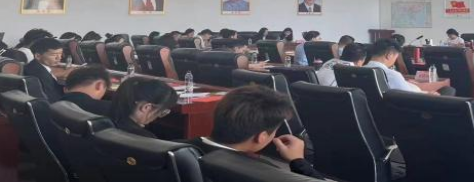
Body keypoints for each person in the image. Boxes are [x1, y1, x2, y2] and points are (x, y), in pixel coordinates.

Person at [192, 86, 325, 179]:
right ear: (262, 137)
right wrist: (298, 161)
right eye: (275, 131)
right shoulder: (263, 173)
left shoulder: (183, 148)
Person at [365, 39, 456, 96]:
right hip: (411, 106)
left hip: (377, 110)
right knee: (448, 90)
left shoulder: (362, 70)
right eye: (395, 58)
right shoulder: (391, 74)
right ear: (389, 55)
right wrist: (428, 94)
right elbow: (410, 95)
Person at [111, 77, 177, 138]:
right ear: (146, 107)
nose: (157, 116)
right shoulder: (145, 138)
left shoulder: (108, 122)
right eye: (162, 112)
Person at [24, 37, 65, 102]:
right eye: (54, 55)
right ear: (38, 56)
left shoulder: (33, 66)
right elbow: (53, 98)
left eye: (60, 54)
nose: (59, 58)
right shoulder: (39, 74)